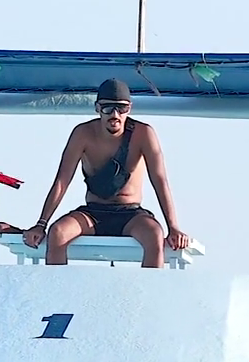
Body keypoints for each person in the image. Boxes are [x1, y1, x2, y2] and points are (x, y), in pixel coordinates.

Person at [20, 79, 189, 269]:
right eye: (108, 108)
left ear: (129, 109)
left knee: (154, 235)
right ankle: (58, 287)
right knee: (58, 232)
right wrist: (41, 224)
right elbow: (62, 181)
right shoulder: (83, 133)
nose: (115, 115)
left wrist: (173, 227)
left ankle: (149, 288)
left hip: (130, 214)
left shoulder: (143, 134)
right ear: (97, 108)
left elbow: (160, 181)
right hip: (93, 213)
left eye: (121, 108)